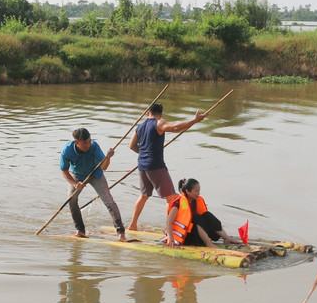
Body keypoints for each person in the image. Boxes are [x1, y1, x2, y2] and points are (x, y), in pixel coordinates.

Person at [128, 103, 207, 231]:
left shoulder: (140, 127)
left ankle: (133, 225)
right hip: (156, 166)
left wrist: (144, 154)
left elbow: (132, 146)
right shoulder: (159, 123)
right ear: (160, 115)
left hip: (142, 166)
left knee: (143, 196)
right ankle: (170, 227)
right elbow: (175, 127)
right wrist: (194, 120)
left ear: (147, 113)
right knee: (171, 197)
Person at [60, 128, 126, 240]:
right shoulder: (67, 150)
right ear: (76, 142)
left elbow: (104, 167)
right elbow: (64, 171)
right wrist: (75, 184)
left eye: (89, 141)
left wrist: (108, 157)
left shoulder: (94, 146)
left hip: (96, 174)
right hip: (77, 175)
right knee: (71, 199)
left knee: (108, 200)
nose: (88, 145)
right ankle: (80, 230)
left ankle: (121, 232)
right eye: (85, 143)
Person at [165, 178, 244, 247]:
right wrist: (171, 240)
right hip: (185, 237)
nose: (198, 193)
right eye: (196, 191)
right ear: (188, 191)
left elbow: (206, 219)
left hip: (198, 234)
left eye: (199, 191)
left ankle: (226, 238)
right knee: (196, 218)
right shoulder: (178, 204)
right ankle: (208, 243)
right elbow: (168, 222)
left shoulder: (195, 200)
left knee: (207, 215)